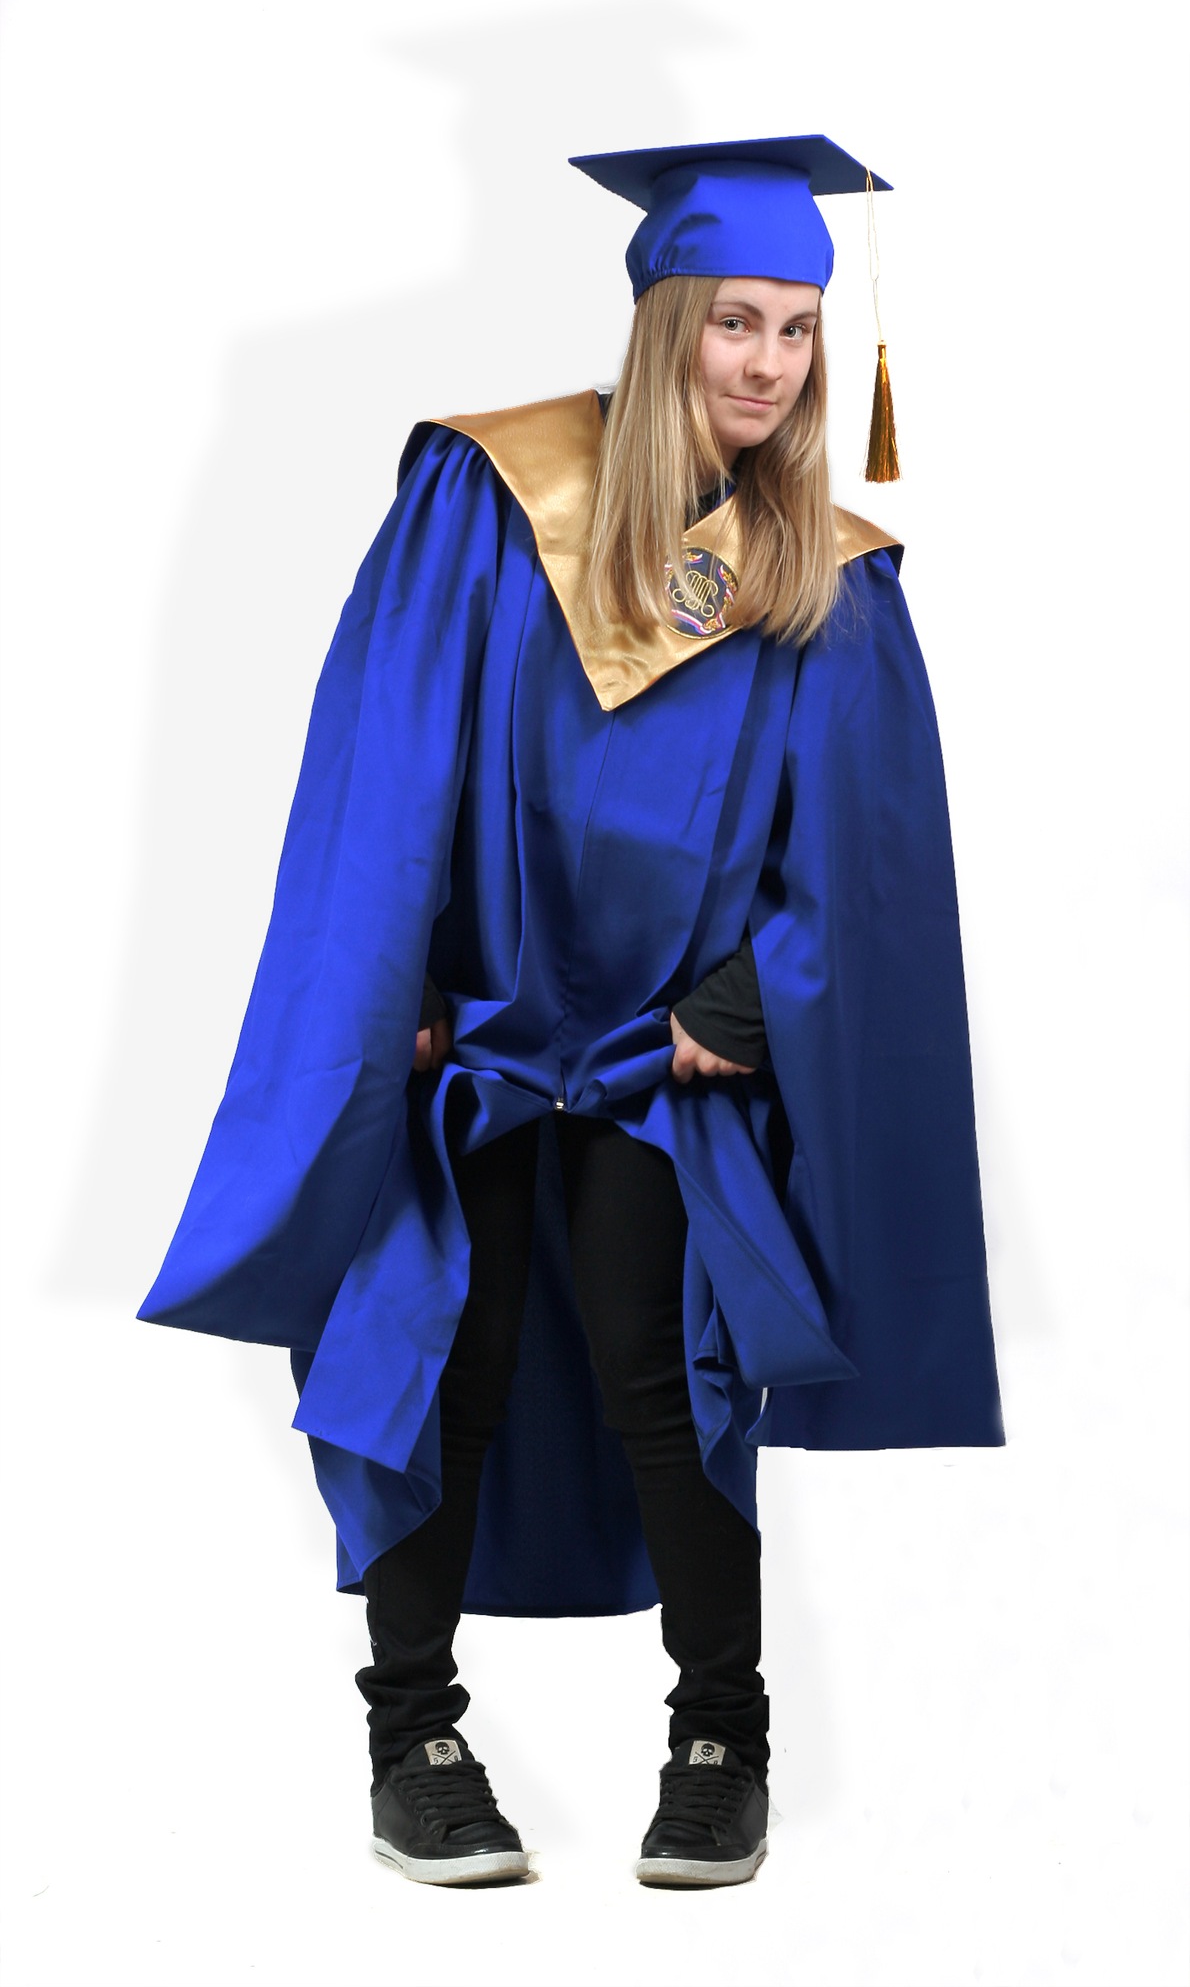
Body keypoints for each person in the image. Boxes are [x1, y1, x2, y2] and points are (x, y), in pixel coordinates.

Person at [138, 134, 1004, 1889]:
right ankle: (412, 1741)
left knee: (668, 1374)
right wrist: (389, 986)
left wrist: (738, 1010)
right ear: (666, 316)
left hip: (659, 1063)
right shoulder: (488, 493)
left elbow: (860, 856)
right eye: (735, 322)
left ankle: (720, 1741)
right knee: (428, 1355)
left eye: (797, 331)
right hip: (473, 1031)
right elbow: (385, 756)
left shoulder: (823, 574)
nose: (769, 364)